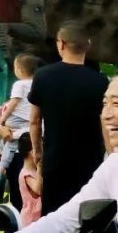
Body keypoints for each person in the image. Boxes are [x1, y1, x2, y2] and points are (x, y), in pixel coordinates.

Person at [29, 22, 110, 214]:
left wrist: (37, 153)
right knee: (88, 215)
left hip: (55, 160)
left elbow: (34, 121)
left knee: (55, 216)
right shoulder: (100, 82)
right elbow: (106, 123)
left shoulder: (42, 76)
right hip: (90, 162)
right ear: (87, 46)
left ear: (62, 44)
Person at [22, 76, 118, 232]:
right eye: (104, 104)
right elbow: (62, 221)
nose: (107, 115)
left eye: (116, 103)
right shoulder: (113, 166)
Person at [0, 53, 41, 191]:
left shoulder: (19, 85)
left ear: (20, 70)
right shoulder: (38, 85)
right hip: (31, 128)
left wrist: (2, 121)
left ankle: (0, 170)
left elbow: (14, 103)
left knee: (9, 141)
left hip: (17, 125)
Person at [18, 133, 43, 226]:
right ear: (33, 153)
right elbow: (38, 190)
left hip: (37, 218)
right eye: (41, 149)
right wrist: (39, 166)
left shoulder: (34, 171)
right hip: (30, 220)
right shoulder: (26, 174)